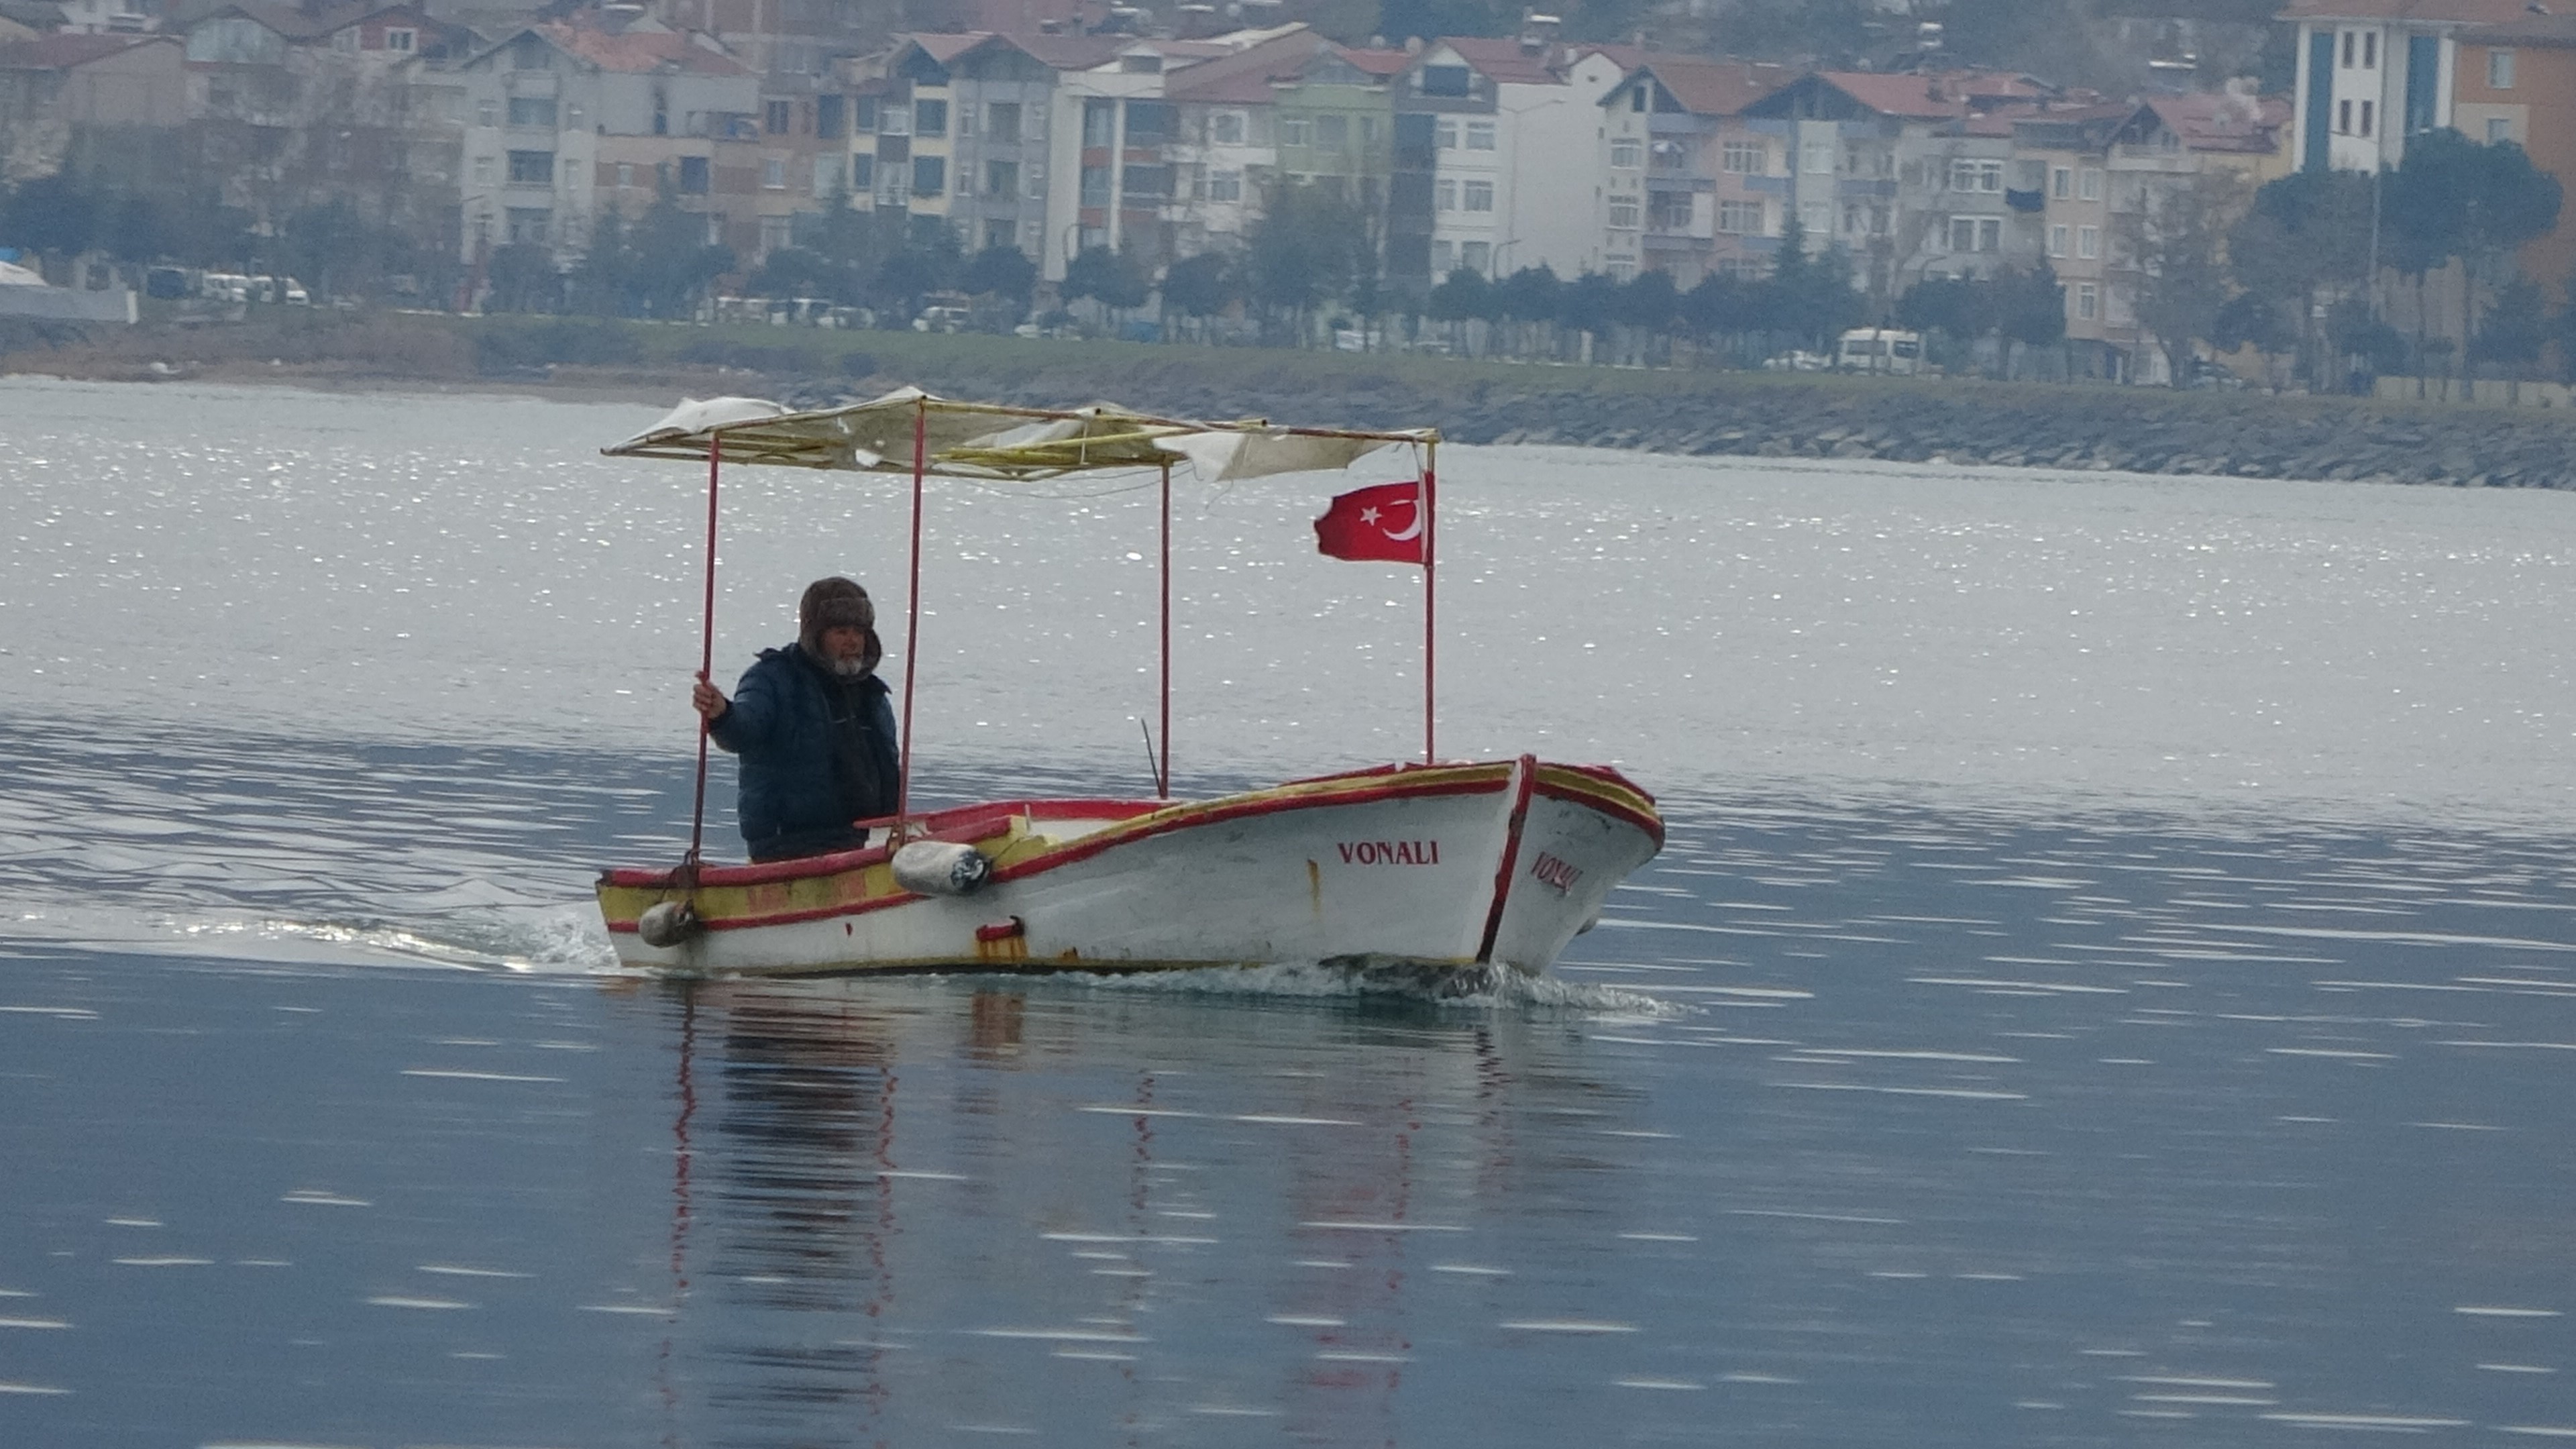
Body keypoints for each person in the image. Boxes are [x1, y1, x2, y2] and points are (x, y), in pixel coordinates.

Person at [692, 577, 900, 862]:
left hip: (869, 842)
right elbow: (744, 731)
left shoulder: (872, 694)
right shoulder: (771, 678)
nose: (853, 642)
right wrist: (722, 714)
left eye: (859, 632)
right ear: (815, 634)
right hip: (790, 846)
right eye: (841, 632)